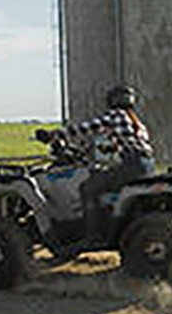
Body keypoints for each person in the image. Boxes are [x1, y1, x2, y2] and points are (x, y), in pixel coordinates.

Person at [37, 85, 155, 243]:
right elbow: (126, 143)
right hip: (145, 165)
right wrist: (105, 148)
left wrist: (53, 134)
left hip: (131, 166)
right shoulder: (136, 122)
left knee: (88, 188)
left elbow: (87, 128)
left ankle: (93, 235)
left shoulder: (116, 115)